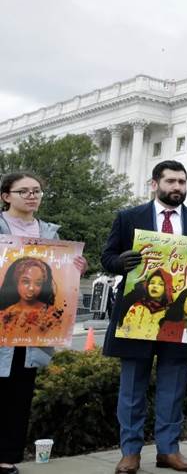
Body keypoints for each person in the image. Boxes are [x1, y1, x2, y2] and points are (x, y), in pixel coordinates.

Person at [101, 160, 187, 474]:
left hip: (181, 321)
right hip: (136, 319)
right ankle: (130, 452)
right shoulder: (129, 217)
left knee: (173, 387)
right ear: (155, 184)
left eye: (182, 182)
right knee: (132, 388)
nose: (177, 188)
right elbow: (107, 256)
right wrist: (119, 261)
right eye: (171, 182)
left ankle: (169, 450)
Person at [0, 172, 87, 474]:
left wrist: (77, 267)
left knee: (20, 393)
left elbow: (59, 275)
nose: (32, 196)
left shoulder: (50, 232)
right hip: (1, 322)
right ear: (6, 196)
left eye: (36, 190)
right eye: (23, 191)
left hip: (33, 328)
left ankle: (7, 456)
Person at [116, 269, 174, 341]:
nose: (154, 286)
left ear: (166, 288)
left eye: (161, 284)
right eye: (152, 283)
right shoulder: (136, 308)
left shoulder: (170, 313)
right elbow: (124, 331)